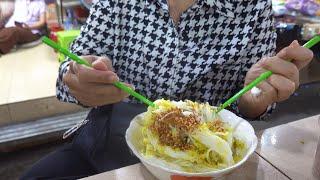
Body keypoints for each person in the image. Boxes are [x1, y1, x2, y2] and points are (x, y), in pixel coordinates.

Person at [22, 0, 314, 179]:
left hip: (209, 161)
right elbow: (72, 70)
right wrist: (78, 77)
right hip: (108, 145)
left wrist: (257, 96)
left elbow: (251, 102)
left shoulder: (252, 6)